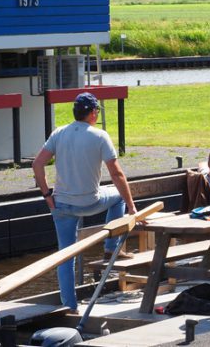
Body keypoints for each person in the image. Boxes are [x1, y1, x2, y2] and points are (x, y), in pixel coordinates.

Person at [31, 92, 138, 311]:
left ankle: (70, 306)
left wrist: (46, 195)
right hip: (90, 202)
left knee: (65, 256)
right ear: (92, 113)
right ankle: (110, 248)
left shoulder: (59, 133)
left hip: (61, 205)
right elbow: (117, 174)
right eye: (97, 110)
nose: (97, 114)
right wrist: (132, 206)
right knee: (117, 197)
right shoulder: (100, 136)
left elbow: (37, 164)